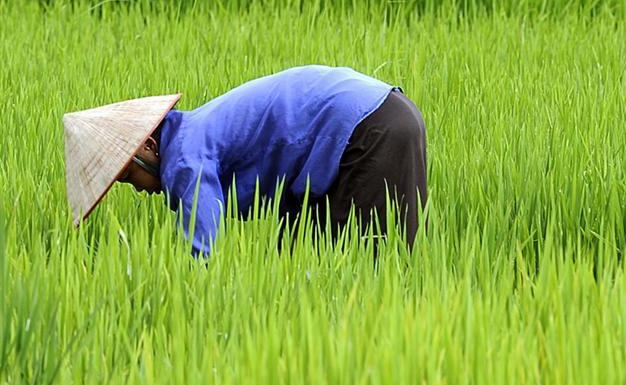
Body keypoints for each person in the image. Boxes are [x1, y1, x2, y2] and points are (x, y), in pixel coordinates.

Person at [62, 65, 428, 258]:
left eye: (128, 178)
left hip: (371, 130)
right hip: (381, 117)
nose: (139, 191)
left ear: (147, 147)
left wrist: (180, 300)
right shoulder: (196, 131)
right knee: (303, 258)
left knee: (371, 265)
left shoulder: (186, 157)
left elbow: (200, 249)